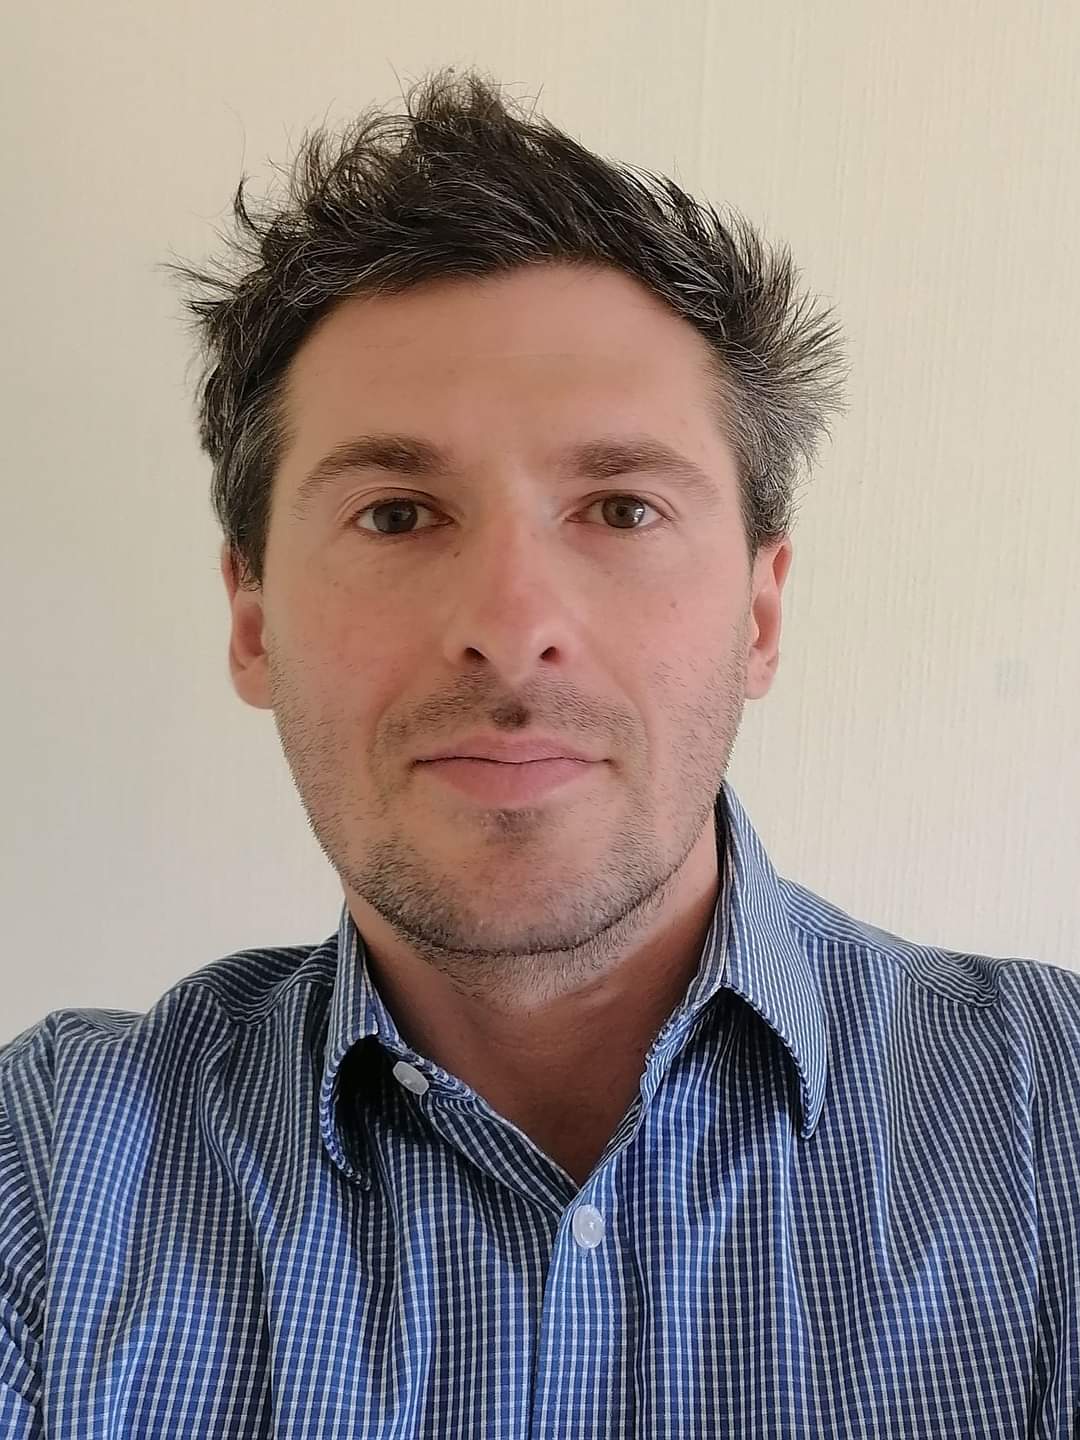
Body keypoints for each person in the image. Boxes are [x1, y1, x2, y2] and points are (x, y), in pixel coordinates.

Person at [1, 64, 1076, 1439]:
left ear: (759, 613)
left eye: (620, 510)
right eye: (397, 514)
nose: (512, 632)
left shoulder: (1056, 1128)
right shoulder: (50, 1175)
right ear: (252, 619)